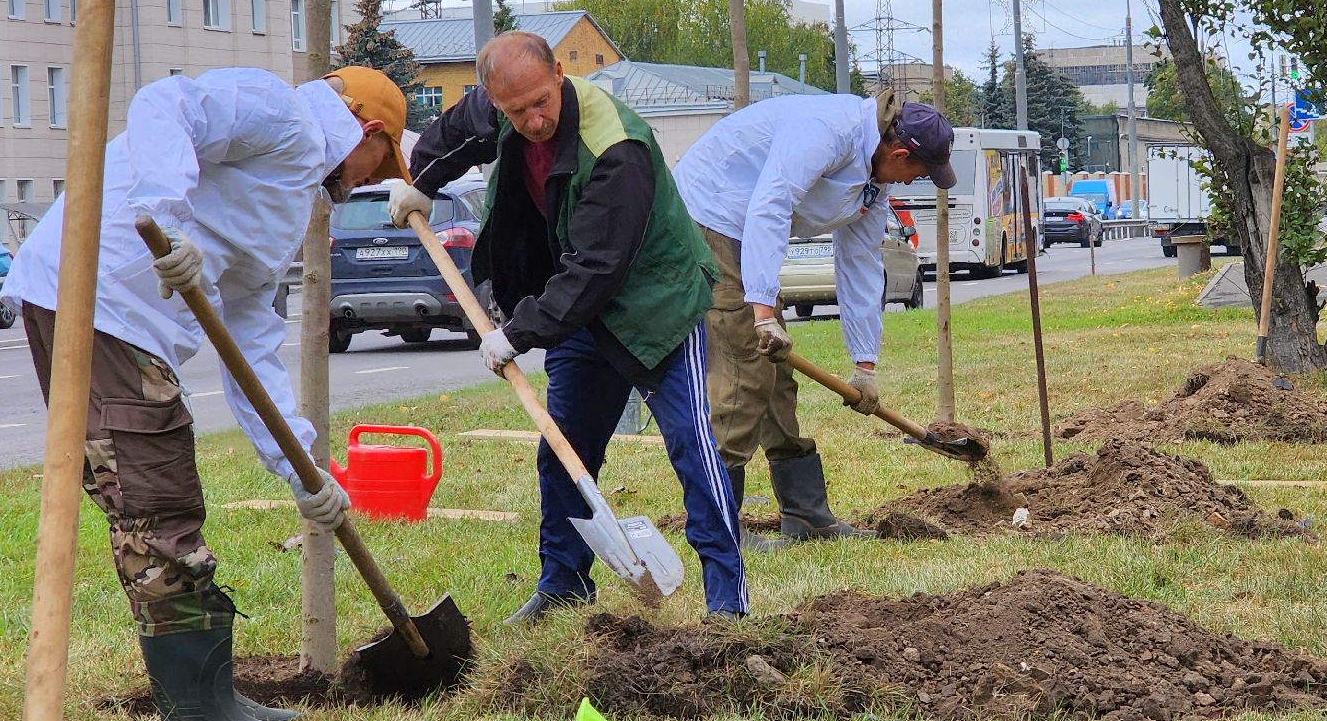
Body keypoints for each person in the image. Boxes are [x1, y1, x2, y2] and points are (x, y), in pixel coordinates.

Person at [1, 65, 407, 721]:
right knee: (155, 508)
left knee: (171, 502)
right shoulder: (281, 114)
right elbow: (164, 102)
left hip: (130, 324)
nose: (374, 177)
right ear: (365, 130)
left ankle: (214, 699)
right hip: (93, 300)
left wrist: (303, 467)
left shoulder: (286, 197)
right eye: (381, 159)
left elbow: (251, 342)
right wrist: (168, 216)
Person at [395, 31, 747, 625]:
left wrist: (519, 331)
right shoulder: (502, 105)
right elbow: (452, 133)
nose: (533, 121)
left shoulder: (615, 146)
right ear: (496, 99)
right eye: (515, 111)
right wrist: (422, 183)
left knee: (692, 447)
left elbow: (598, 268)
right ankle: (562, 586)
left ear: (559, 73)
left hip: (653, 304)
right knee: (563, 450)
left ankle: (726, 601)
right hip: (576, 306)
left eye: (541, 103)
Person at [672, 92, 955, 544]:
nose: (912, 182)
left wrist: (865, 365)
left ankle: (804, 515)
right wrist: (762, 311)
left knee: (776, 375)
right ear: (900, 153)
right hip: (710, 216)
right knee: (748, 366)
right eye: (917, 173)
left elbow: (860, 264)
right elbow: (771, 202)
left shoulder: (873, 184)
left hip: (746, 226)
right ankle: (715, 524)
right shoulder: (829, 131)